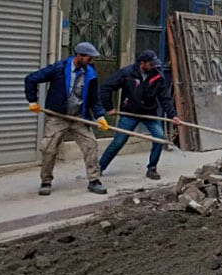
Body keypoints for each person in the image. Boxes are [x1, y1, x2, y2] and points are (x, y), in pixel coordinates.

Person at [25, 42, 109, 196]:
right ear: (79, 56)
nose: (91, 61)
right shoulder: (58, 69)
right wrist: (32, 101)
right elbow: (30, 79)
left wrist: (100, 116)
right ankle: (45, 181)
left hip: (78, 116)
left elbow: (94, 99)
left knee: (91, 145)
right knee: (49, 149)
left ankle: (94, 180)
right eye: (89, 58)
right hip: (58, 116)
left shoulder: (91, 74)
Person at [98, 50, 180, 180]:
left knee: (159, 138)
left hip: (150, 113)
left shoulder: (157, 77)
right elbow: (106, 87)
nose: (154, 67)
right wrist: (109, 107)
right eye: (151, 64)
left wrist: (173, 115)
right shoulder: (127, 73)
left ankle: (152, 168)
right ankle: (100, 167)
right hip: (129, 112)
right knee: (118, 142)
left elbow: (165, 98)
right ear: (142, 63)